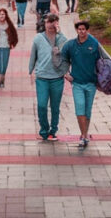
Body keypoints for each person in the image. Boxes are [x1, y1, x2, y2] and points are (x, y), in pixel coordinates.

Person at [62, 20, 102, 149]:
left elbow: (104, 59)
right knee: (80, 108)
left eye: (84, 29)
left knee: (87, 110)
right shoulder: (71, 45)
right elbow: (63, 59)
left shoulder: (94, 43)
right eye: (79, 29)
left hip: (91, 83)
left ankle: (84, 134)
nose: (82, 31)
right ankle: (84, 136)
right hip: (77, 83)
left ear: (87, 30)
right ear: (76, 30)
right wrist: (66, 73)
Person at [29, 13, 68, 141]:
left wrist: (60, 34)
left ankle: (53, 130)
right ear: (44, 24)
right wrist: (30, 72)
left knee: (55, 107)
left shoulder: (61, 38)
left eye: (53, 22)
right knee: (41, 105)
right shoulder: (38, 38)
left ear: (57, 23)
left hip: (57, 78)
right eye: (48, 22)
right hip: (42, 78)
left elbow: (66, 53)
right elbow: (33, 56)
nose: (51, 25)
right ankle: (44, 129)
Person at [0, 8, 18, 88]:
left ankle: (2, 77)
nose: (1, 16)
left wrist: (12, 44)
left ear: (6, 15)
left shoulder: (9, 25)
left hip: (6, 47)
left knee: (4, 63)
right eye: (0, 14)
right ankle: (2, 75)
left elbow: (14, 35)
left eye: (3, 14)